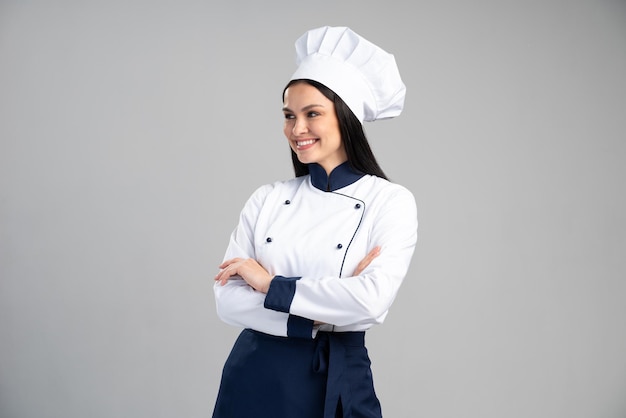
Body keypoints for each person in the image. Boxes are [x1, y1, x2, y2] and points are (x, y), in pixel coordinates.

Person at [211, 25, 418, 418]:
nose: (296, 129)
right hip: (253, 375)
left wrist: (268, 284)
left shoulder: (389, 202)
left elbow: (370, 300)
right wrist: (322, 315)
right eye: (289, 115)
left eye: (312, 114)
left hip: (336, 379)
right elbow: (227, 300)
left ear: (346, 118)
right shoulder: (267, 198)